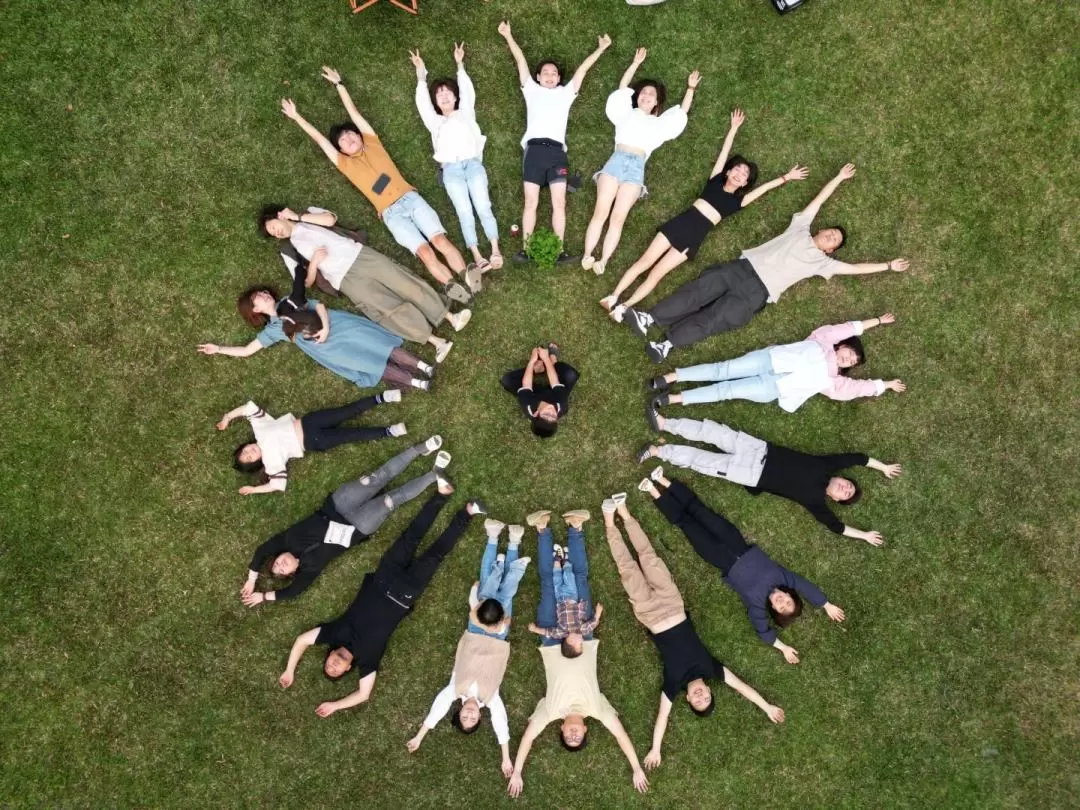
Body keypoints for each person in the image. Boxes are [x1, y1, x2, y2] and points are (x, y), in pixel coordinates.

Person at [624, 163, 911, 361]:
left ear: (831, 251)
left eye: (835, 241)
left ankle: (666, 344)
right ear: (821, 230)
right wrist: (837, 178)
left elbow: (854, 269)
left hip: (759, 293)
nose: (832, 237)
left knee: (714, 319)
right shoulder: (800, 228)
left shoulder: (824, 265)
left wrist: (887, 266)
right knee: (698, 290)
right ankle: (650, 318)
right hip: (742, 268)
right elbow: (818, 203)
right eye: (832, 232)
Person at [600, 494, 784, 770]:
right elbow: (742, 688)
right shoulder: (711, 668)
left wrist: (655, 749)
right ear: (709, 690)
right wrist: (767, 706)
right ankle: (625, 515)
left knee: (627, 568)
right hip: (672, 602)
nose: (700, 697)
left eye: (696, 701)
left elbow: (662, 717)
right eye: (706, 698)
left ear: (687, 698)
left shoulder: (673, 684)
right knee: (649, 558)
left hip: (649, 613)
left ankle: (609, 524)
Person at [278, 489, 488, 716]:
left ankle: (441, 495)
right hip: (404, 595)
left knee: (411, 536)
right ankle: (467, 513)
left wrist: (290, 671)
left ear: (328, 655)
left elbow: (301, 641)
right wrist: (336, 705)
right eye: (336, 671)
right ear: (348, 669)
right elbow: (363, 694)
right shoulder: (368, 659)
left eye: (328, 665)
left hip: (383, 577)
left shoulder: (332, 634)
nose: (333, 666)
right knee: (435, 554)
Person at [280, 66, 478, 300]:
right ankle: (454, 288)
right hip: (391, 214)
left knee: (439, 240)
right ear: (340, 149)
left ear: (360, 135)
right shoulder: (345, 164)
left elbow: (353, 113)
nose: (348, 139)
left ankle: (469, 276)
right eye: (342, 140)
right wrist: (297, 117)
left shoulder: (372, 142)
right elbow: (320, 139)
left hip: (410, 198)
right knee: (425, 252)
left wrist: (339, 84)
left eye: (350, 134)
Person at [603, 109, 807, 321]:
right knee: (644, 262)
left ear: (745, 184)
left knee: (656, 275)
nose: (739, 174)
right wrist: (733, 129)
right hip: (678, 225)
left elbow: (762, 190)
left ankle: (624, 307)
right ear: (728, 172)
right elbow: (723, 154)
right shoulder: (715, 180)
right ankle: (613, 296)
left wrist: (786, 177)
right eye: (737, 169)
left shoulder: (737, 202)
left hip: (693, 239)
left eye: (745, 175)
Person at [507, 508, 649, 797]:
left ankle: (543, 530)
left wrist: (518, 770)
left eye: (568, 739)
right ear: (584, 731)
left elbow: (529, 738)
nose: (572, 735)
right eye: (577, 738)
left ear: (561, 731)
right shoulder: (597, 710)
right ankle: (575, 528)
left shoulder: (551, 712)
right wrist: (636, 767)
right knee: (580, 579)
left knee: (549, 585)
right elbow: (620, 734)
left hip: (550, 638)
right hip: (583, 635)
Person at [639, 470, 846, 664]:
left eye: (781, 608)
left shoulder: (756, 605)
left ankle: (653, 491)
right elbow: (805, 585)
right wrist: (826, 604)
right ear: (789, 594)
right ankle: (664, 480)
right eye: (789, 601)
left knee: (687, 524)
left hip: (718, 558)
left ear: (774, 610)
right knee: (700, 511)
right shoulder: (784, 579)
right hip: (735, 541)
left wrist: (782, 648)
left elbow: (764, 633)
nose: (782, 601)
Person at [241, 438, 449, 605]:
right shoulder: (308, 570)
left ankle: (419, 449)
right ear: (292, 573)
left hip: (337, 506)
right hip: (356, 527)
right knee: (392, 499)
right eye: (282, 570)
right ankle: (433, 475)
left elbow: (261, 551)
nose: (281, 564)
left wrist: (251, 581)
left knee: (377, 477)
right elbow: (293, 592)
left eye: (277, 562)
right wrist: (264, 596)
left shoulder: (286, 541)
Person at [640, 417, 902, 545]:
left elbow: (837, 527)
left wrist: (865, 536)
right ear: (842, 476)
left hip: (750, 474)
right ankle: (664, 423)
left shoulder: (815, 501)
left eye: (845, 495)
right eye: (849, 485)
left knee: (702, 461)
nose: (846, 489)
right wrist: (883, 467)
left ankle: (658, 452)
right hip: (759, 449)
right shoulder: (827, 465)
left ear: (834, 499)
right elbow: (859, 457)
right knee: (712, 432)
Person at [259, 204, 471, 361]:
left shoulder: (306, 214)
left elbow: (330, 219)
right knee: (387, 308)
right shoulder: (289, 250)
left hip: (361, 256)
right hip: (344, 279)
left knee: (404, 282)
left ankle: (451, 317)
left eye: (273, 226)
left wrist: (297, 217)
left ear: (280, 216)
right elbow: (305, 282)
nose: (276, 232)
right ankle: (436, 341)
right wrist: (313, 263)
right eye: (272, 233)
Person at [405, 520, 531, 777]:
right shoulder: (491, 699)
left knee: (487, 586)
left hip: (475, 631)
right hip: (498, 635)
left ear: (459, 712)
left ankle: (493, 537)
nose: (470, 715)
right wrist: (506, 759)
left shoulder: (455, 689)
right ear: (479, 718)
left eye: (464, 718)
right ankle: (514, 545)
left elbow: (437, 709)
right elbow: (502, 725)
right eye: (473, 720)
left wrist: (419, 737)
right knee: (507, 595)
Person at [497, 21, 612, 265]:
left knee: (559, 202)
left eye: (554, 73)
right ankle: (526, 250)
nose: (549, 76)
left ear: (559, 78)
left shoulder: (565, 93)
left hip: (558, 154)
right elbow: (520, 62)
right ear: (538, 77)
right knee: (531, 202)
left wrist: (600, 49)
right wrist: (508, 36)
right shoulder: (531, 89)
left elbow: (582, 71)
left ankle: (559, 251)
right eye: (545, 73)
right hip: (535, 152)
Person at [580, 48, 699, 276]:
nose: (646, 96)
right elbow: (623, 90)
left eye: (651, 95)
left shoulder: (659, 125)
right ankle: (587, 254)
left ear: (656, 103)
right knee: (600, 212)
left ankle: (603, 260)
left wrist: (690, 88)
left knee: (618, 219)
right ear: (638, 96)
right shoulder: (626, 113)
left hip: (636, 169)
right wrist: (635, 63)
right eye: (643, 92)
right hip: (615, 162)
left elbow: (681, 113)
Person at [196, 286, 434, 391]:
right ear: (255, 310)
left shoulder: (289, 300)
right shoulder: (272, 331)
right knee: (368, 362)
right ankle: (416, 382)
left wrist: (327, 328)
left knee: (377, 344)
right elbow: (248, 350)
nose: (263, 295)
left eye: (263, 292)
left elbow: (319, 306)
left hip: (336, 325)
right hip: (325, 347)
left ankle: (423, 366)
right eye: (257, 298)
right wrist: (218, 348)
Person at [648, 314, 905, 411]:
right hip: (768, 360)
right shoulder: (824, 339)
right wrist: (878, 321)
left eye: (853, 361)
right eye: (851, 351)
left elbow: (858, 389)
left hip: (774, 389)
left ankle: (674, 399)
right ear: (843, 345)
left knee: (725, 391)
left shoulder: (834, 381)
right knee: (722, 369)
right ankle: (672, 377)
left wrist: (886, 385)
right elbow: (849, 327)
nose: (849, 358)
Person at [411, 44, 503, 283]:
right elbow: (422, 103)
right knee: (465, 212)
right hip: (450, 171)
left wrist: (460, 65)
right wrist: (421, 75)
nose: (443, 95)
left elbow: (467, 91)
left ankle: (495, 250)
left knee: (483, 206)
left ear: (455, 96)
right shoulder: (434, 121)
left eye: (447, 92)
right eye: (439, 93)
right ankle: (478, 255)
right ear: (435, 100)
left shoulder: (466, 112)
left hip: (472, 165)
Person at [217, 394, 404, 495]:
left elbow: (247, 409)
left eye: (245, 450)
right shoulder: (270, 463)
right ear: (255, 463)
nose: (250, 451)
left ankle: (382, 397)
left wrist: (227, 417)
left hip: (310, 422)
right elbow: (276, 485)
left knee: (347, 411)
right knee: (352, 435)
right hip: (314, 442)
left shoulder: (259, 430)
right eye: (249, 457)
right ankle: (389, 431)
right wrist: (254, 489)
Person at [500, 343, 580, 438]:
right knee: (571, 375)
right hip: (554, 392)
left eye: (546, 414)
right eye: (553, 416)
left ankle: (536, 369)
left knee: (507, 380)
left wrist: (532, 360)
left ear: (536, 413)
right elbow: (555, 381)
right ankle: (553, 361)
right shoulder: (560, 405)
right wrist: (546, 359)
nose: (551, 411)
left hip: (534, 391)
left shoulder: (528, 406)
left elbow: (527, 384)